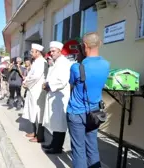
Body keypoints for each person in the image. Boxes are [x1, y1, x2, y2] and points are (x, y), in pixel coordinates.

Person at [67, 32, 109, 168]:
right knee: (92, 147)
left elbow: (72, 84)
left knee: (79, 150)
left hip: (76, 113)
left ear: (84, 46)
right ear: (100, 44)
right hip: (95, 113)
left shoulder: (76, 67)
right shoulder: (106, 65)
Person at [42, 41, 72, 154]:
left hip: (60, 97)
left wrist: (49, 86)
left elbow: (62, 81)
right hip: (54, 96)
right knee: (55, 122)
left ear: (60, 51)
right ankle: (54, 144)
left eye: (54, 51)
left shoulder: (64, 63)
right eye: (51, 51)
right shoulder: (56, 62)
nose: (51, 53)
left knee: (59, 123)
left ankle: (57, 147)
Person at [22, 43, 48, 143]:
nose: (31, 53)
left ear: (38, 52)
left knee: (38, 114)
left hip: (38, 91)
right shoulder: (36, 61)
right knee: (32, 112)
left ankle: (40, 136)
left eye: (32, 51)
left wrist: (26, 83)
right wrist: (26, 82)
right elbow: (30, 75)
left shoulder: (42, 62)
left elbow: (35, 77)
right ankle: (34, 132)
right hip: (33, 90)